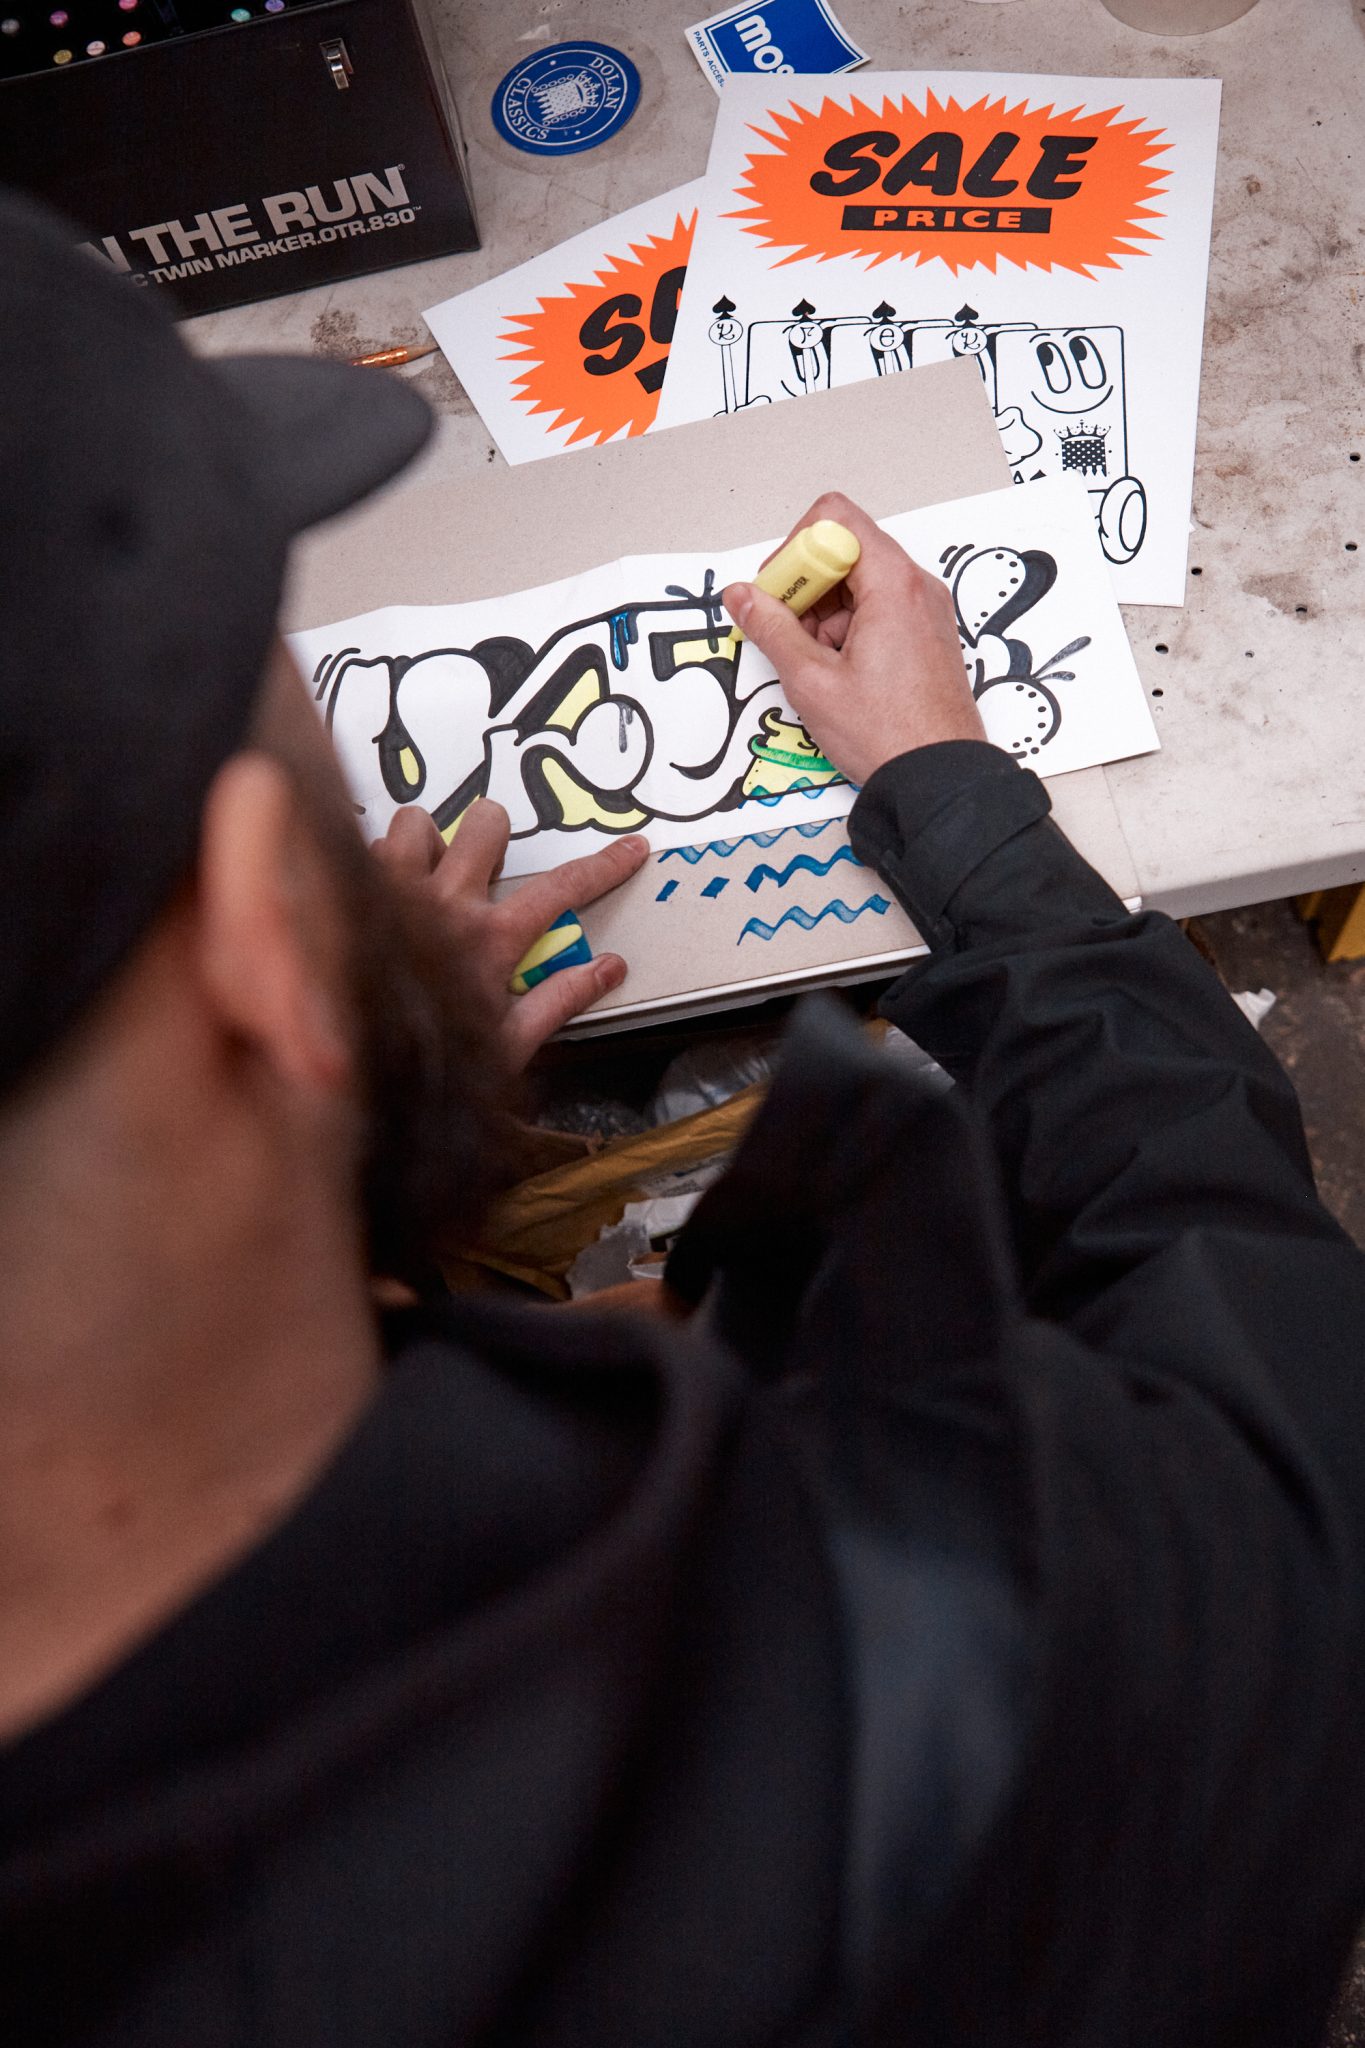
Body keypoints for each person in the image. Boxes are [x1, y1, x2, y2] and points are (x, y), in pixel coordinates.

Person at [3, 188, 1365, 2048]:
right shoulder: (1030, 1681)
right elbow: (1283, 1392)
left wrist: (318, 1138)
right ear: (264, 946)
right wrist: (958, 804)